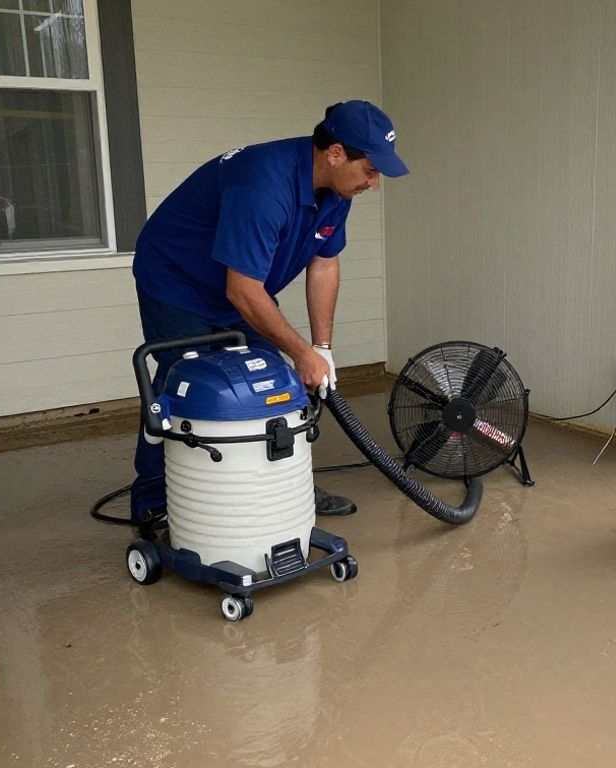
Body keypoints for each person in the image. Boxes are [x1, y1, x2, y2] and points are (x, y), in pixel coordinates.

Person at [130, 100, 408, 523]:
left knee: (273, 382)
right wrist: (301, 353)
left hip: (241, 286)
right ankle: (155, 502)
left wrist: (320, 348)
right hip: (177, 280)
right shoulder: (263, 185)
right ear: (335, 153)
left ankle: (286, 486)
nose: (373, 183)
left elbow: (324, 263)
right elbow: (242, 290)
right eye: (370, 170)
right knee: (183, 385)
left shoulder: (337, 189)